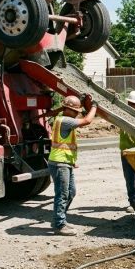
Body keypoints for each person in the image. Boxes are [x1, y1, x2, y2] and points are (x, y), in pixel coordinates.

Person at [47, 95, 97, 236]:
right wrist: (95, 106)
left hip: (65, 162)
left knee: (71, 192)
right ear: (67, 109)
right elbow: (87, 120)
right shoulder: (65, 121)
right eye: (75, 111)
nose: (76, 113)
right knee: (62, 194)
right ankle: (59, 224)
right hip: (59, 163)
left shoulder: (62, 118)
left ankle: (59, 219)